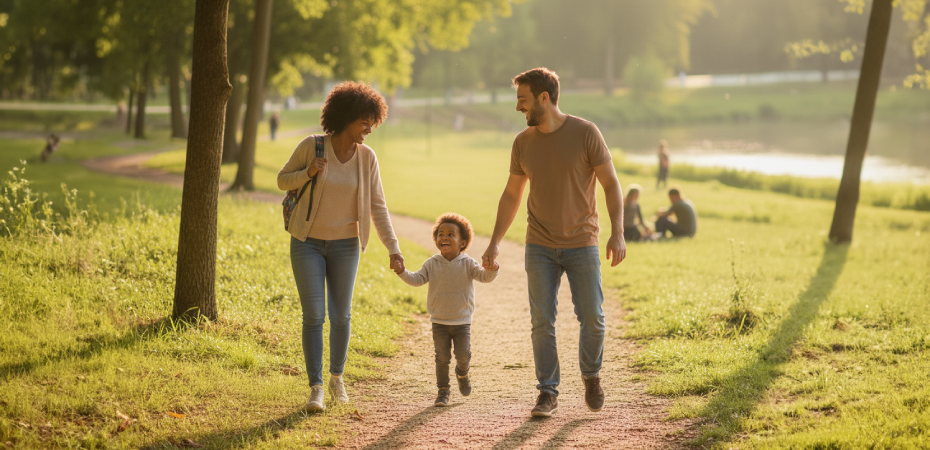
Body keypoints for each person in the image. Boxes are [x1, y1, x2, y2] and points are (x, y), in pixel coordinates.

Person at [481, 67, 626, 418]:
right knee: (541, 321)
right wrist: (494, 242)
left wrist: (618, 231)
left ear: (544, 98)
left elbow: (610, 184)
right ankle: (547, 391)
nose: (518, 107)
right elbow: (512, 194)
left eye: (523, 100)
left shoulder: (585, 132)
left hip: (582, 242)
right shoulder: (523, 143)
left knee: (592, 317)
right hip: (540, 245)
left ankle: (591, 375)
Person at [276, 81, 404, 413]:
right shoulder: (313, 146)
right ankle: (316, 388)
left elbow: (378, 206)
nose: (368, 130)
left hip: (346, 245)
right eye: (365, 122)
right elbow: (282, 180)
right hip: (308, 244)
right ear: (346, 117)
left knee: (342, 316)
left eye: (372, 123)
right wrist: (308, 172)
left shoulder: (366, 158)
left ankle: (337, 379)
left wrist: (393, 247)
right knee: (314, 315)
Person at [393, 213, 499, 407]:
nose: (445, 237)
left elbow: (484, 277)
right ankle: (443, 391)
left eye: (451, 234)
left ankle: (463, 372)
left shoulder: (468, 263)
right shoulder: (432, 264)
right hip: (439, 321)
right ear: (436, 240)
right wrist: (402, 271)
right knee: (442, 358)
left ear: (462, 242)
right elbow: (416, 280)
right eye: (441, 234)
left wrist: (492, 268)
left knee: (462, 354)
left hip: (462, 321)